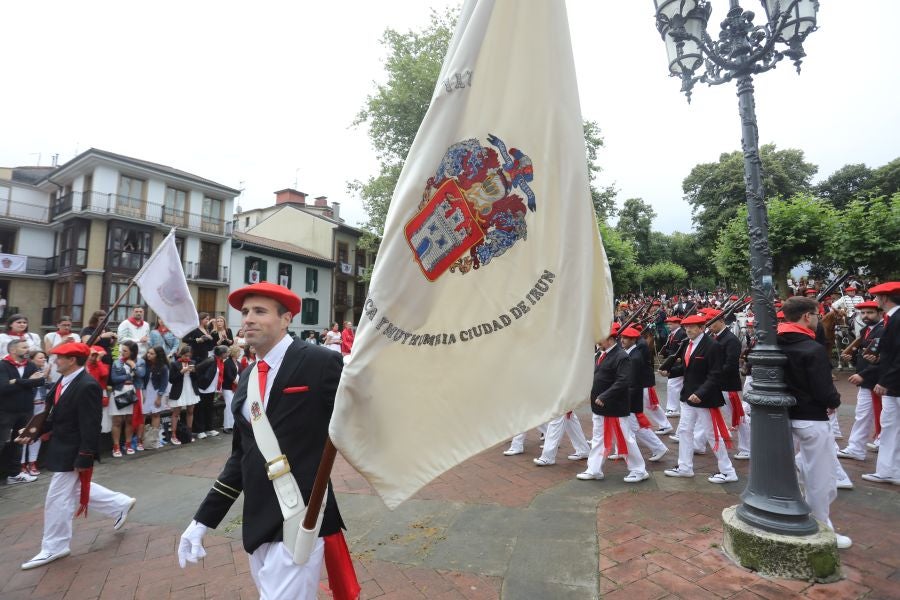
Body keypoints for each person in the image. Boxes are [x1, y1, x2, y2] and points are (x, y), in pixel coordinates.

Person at [178, 281, 357, 599]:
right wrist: (203, 520)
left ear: (286, 318)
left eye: (259, 311)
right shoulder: (246, 377)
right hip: (258, 520)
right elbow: (241, 457)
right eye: (245, 311)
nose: (247, 318)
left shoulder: (319, 362)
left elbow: (361, 414)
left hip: (302, 515)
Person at [19, 342, 136, 570]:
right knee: (70, 490)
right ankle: (119, 504)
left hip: (73, 450)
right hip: (61, 446)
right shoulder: (64, 382)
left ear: (72, 360)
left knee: (56, 498)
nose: (54, 361)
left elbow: (90, 425)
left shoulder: (87, 385)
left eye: (60, 357)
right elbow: (54, 416)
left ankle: (55, 545)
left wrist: (85, 455)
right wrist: (34, 432)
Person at [777, 296, 852, 548]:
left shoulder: (772, 343)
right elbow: (824, 390)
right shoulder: (813, 349)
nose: (819, 320)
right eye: (817, 315)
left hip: (780, 417)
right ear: (807, 317)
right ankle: (821, 526)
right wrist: (834, 400)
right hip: (811, 417)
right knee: (822, 477)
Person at [662, 314, 738, 483]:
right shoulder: (687, 344)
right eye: (686, 327)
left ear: (702, 328)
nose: (688, 330)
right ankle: (684, 467)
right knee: (684, 431)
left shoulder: (712, 346)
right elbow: (687, 368)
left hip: (705, 399)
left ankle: (728, 471)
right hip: (689, 397)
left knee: (712, 434)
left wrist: (701, 393)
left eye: (692, 327)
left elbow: (715, 374)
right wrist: (671, 372)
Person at [578, 326, 648, 483]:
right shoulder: (601, 354)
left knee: (625, 438)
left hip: (614, 406)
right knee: (598, 438)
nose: (597, 342)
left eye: (600, 339)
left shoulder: (621, 356)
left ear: (610, 339)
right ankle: (594, 469)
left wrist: (605, 396)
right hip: (600, 406)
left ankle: (639, 470)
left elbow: (623, 380)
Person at [862, 281, 900, 485]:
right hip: (894, 384)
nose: (876, 301)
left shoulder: (897, 319)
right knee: (891, 427)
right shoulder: (892, 319)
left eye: (877, 298)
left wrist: (886, 380)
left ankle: (889, 470)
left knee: (891, 426)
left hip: (895, 384)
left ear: (885, 298)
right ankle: (889, 470)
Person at [838, 301, 885, 461]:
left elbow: (883, 359)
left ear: (879, 313)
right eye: (863, 313)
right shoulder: (867, 330)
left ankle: (857, 447)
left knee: (867, 415)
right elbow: (865, 353)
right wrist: (852, 356)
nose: (865, 316)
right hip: (869, 379)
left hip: (875, 379)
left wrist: (864, 374)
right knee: (868, 414)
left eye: (869, 313)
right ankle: (871, 443)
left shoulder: (882, 330)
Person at [707, 311, 751, 460]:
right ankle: (698, 443)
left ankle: (747, 448)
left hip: (727, 385)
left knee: (738, 418)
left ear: (720, 321)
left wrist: (713, 374)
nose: (710, 326)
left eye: (712, 322)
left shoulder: (730, 340)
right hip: (718, 384)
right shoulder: (716, 338)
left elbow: (730, 365)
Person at [0, 338, 44, 484]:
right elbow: (4, 388)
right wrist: (28, 381)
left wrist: (17, 381)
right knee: (1, 442)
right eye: (24, 347)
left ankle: (14, 474)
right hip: (6, 411)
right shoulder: (3, 365)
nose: (28, 350)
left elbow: (40, 381)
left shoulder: (30, 365)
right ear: (13, 350)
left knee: (19, 441)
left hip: (26, 410)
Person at [108, 340, 146, 457]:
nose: (122, 352)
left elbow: (141, 374)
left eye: (125, 351)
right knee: (117, 421)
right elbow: (114, 379)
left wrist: (133, 366)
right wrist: (129, 376)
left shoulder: (140, 362)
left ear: (132, 352)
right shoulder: (116, 362)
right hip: (119, 391)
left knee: (130, 420)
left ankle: (128, 444)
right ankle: (116, 447)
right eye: (121, 350)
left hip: (133, 391)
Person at [21, 350, 50, 476]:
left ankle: (33, 462)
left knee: (36, 433)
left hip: (41, 405)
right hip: (28, 407)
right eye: (40, 358)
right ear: (32, 360)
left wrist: (46, 377)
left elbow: (49, 387)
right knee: (24, 433)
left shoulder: (44, 372)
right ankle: (21, 464)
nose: (43, 360)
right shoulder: (26, 372)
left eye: (44, 358)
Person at [167, 345, 202, 445]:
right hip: (179, 390)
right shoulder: (174, 364)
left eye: (189, 356)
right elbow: (171, 380)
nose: (188, 358)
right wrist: (181, 372)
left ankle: (188, 433)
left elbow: (197, 378)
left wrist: (194, 372)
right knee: (176, 413)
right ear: (181, 354)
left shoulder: (193, 362)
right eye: (186, 356)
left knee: (190, 411)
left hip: (190, 389)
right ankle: (173, 435)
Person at [193, 346, 225, 439]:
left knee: (209, 409)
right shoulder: (210, 360)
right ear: (222, 354)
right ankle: (200, 430)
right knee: (200, 410)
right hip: (203, 389)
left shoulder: (220, 362)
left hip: (211, 389)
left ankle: (209, 428)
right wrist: (201, 381)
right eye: (226, 352)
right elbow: (197, 369)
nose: (228, 354)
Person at [142, 346, 170, 448]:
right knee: (143, 414)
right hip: (144, 390)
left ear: (157, 355)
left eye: (152, 353)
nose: (148, 355)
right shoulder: (144, 363)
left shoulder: (163, 367)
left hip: (156, 391)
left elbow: (164, 383)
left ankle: (153, 439)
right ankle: (141, 439)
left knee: (156, 414)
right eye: (148, 353)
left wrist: (159, 398)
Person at [660, 316, 686, 417]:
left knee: (672, 385)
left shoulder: (682, 334)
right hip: (673, 362)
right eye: (668, 324)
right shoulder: (672, 334)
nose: (668, 325)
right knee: (674, 385)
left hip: (678, 363)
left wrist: (680, 359)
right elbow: (671, 349)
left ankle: (673, 409)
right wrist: (664, 353)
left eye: (670, 324)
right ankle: (673, 408)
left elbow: (683, 349)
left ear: (677, 324)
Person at [222, 345, 242, 434]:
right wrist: (236, 382)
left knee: (234, 405)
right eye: (238, 352)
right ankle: (226, 426)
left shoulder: (238, 362)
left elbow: (241, 372)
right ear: (234, 353)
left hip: (235, 386)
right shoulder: (227, 362)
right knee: (228, 405)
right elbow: (228, 375)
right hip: (228, 387)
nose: (240, 354)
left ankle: (233, 424)